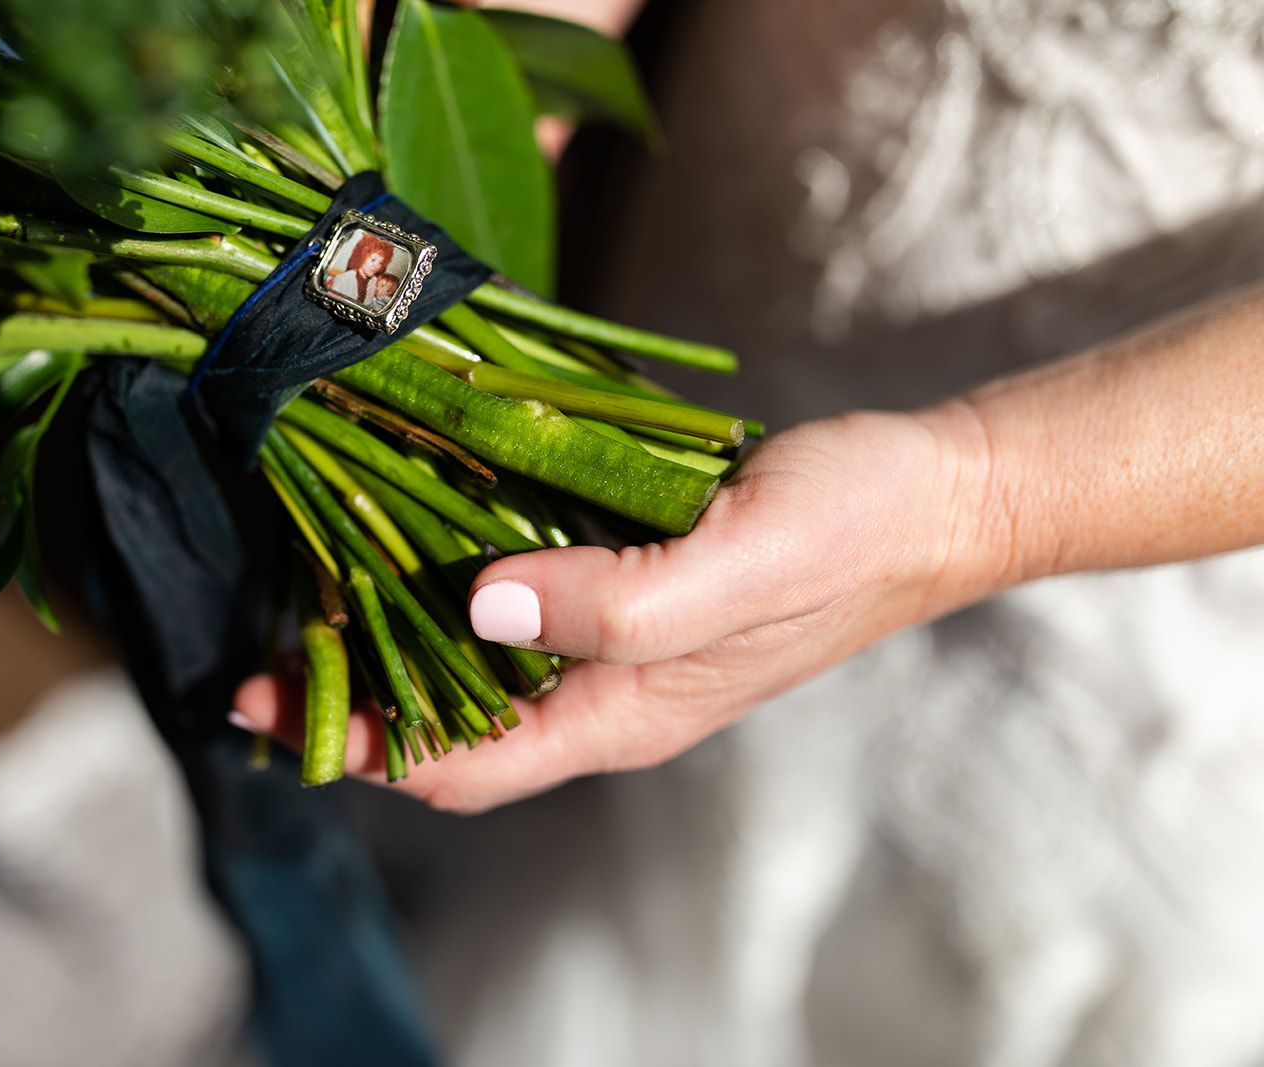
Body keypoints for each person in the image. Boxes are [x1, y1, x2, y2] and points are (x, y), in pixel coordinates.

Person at [237, 1, 1264, 1064]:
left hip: (1173, 507)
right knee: (676, 843)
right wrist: (456, 97)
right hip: (746, 269)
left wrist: (980, 499)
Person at [327, 231, 397, 309]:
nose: (377, 266)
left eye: (380, 263)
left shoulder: (373, 282)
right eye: (373, 260)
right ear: (362, 257)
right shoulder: (343, 279)